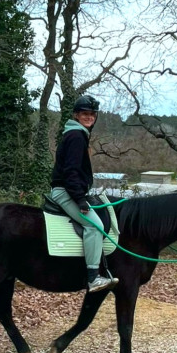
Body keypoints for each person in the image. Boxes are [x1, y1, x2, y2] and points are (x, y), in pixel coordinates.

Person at [49, 95, 119, 292]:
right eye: (85, 114)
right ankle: (93, 278)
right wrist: (79, 199)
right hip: (65, 192)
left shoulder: (76, 134)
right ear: (76, 115)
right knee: (95, 226)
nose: (89, 117)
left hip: (70, 190)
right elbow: (70, 171)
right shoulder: (76, 136)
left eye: (92, 114)